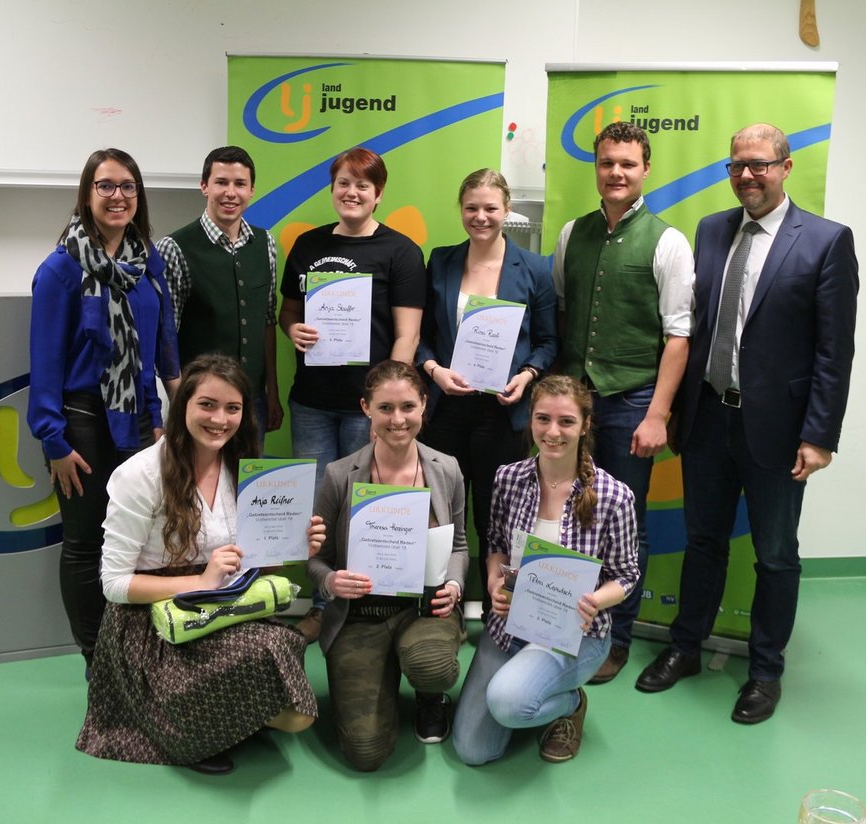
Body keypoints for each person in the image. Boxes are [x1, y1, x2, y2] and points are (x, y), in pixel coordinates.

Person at [634, 123, 858, 725]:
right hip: (708, 419)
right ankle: (685, 646)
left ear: (785, 167)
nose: (747, 175)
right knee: (703, 542)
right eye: (737, 165)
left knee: (776, 556)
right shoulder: (711, 231)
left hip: (779, 432)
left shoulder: (826, 241)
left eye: (759, 164)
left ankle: (765, 672)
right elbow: (694, 326)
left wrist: (819, 436)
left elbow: (834, 351)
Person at [76, 354, 316, 775]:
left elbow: (251, 567)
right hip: (152, 623)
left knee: (295, 701)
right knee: (282, 693)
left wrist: (297, 547)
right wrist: (201, 581)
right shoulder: (141, 475)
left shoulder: (242, 469)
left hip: (217, 603)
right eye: (207, 404)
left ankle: (217, 716)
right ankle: (191, 728)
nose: (220, 419)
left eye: (232, 408)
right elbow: (113, 584)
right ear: (181, 404)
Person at [550, 121, 694, 684]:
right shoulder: (571, 234)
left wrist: (657, 414)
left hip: (633, 399)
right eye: (607, 162)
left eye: (627, 164)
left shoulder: (667, 241)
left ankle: (618, 638)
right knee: (567, 514)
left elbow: (678, 337)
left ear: (645, 170)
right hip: (575, 401)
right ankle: (561, 620)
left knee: (624, 524)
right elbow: (564, 310)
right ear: (596, 166)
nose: (616, 172)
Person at [27, 148, 180, 671]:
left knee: (136, 541)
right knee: (85, 543)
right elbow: (45, 361)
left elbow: (158, 344)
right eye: (106, 186)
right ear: (87, 194)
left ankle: (133, 653)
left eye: (128, 186)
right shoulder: (61, 269)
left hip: (138, 420)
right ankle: (97, 662)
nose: (118, 196)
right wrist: (53, 440)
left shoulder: (148, 261)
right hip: (82, 424)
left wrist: (158, 419)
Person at [451, 375, 639, 765]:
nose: (553, 432)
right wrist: (494, 580)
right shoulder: (508, 478)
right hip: (510, 626)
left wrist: (594, 600)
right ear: (531, 420)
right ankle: (529, 686)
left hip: (573, 635)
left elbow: (626, 575)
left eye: (566, 421)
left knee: (507, 703)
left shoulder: (614, 496)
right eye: (543, 419)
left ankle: (571, 703)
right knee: (473, 751)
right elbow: (496, 544)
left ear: (585, 425)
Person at [280, 147, 426, 644]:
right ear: (332, 188)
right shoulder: (308, 245)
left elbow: (407, 334)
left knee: (368, 508)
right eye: (344, 182)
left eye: (363, 185)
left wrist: (388, 404)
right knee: (319, 513)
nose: (352, 192)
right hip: (312, 402)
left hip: (369, 411)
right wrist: (292, 329)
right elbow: (289, 311)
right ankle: (324, 606)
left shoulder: (401, 252)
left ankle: (368, 609)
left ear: (378, 194)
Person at [305, 360, 467, 771]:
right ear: (366, 408)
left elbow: (460, 546)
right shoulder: (339, 475)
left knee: (432, 666)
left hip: (424, 610)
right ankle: (383, 670)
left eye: (408, 407)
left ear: (424, 405)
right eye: (385, 408)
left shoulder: (446, 469)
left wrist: (454, 585)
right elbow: (317, 560)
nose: (398, 420)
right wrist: (331, 583)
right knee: (365, 752)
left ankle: (429, 693)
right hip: (360, 616)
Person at [416, 168, 558, 595]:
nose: (480, 217)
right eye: (471, 208)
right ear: (461, 209)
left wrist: (527, 376)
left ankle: (498, 608)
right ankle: (441, 609)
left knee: (495, 518)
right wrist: (434, 370)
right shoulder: (441, 261)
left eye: (490, 208)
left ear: (507, 210)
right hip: (445, 410)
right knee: (441, 514)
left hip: (503, 412)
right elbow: (422, 336)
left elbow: (549, 342)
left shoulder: (535, 268)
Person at [157, 145, 282, 449]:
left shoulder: (265, 243)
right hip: (200, 405)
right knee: (196, 477)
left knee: (246, 478)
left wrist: (272, 393)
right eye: (221, 182)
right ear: (204, 187)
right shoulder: (174, 248)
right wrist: (180, 400)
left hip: (252, 401)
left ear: (251, 190)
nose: (230, 193)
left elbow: (267, 321)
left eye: (239, 184)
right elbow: (164, 338)